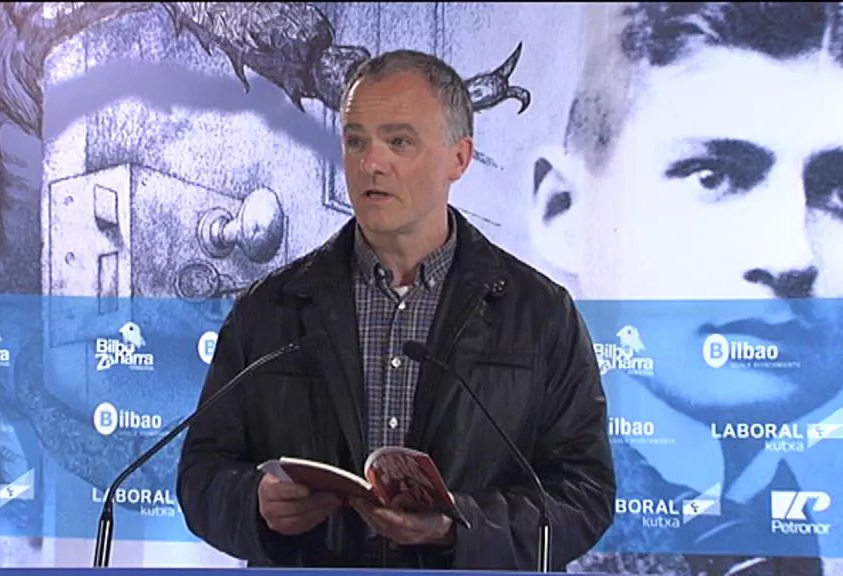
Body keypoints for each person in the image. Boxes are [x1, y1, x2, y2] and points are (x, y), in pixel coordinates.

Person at [176, 48, 615, 570]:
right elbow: (202, 475)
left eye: (399, 141)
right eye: (355, 141)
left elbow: (583, 494)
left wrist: (459, 526)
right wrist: (255, 503)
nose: (370, 163)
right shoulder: (268, 310)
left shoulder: (540, 314)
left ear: (459, 158)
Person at [528, 3, 843, 574]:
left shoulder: (786, 527)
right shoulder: (501, 506)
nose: (790, 255)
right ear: (566, 213)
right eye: (714, 176)